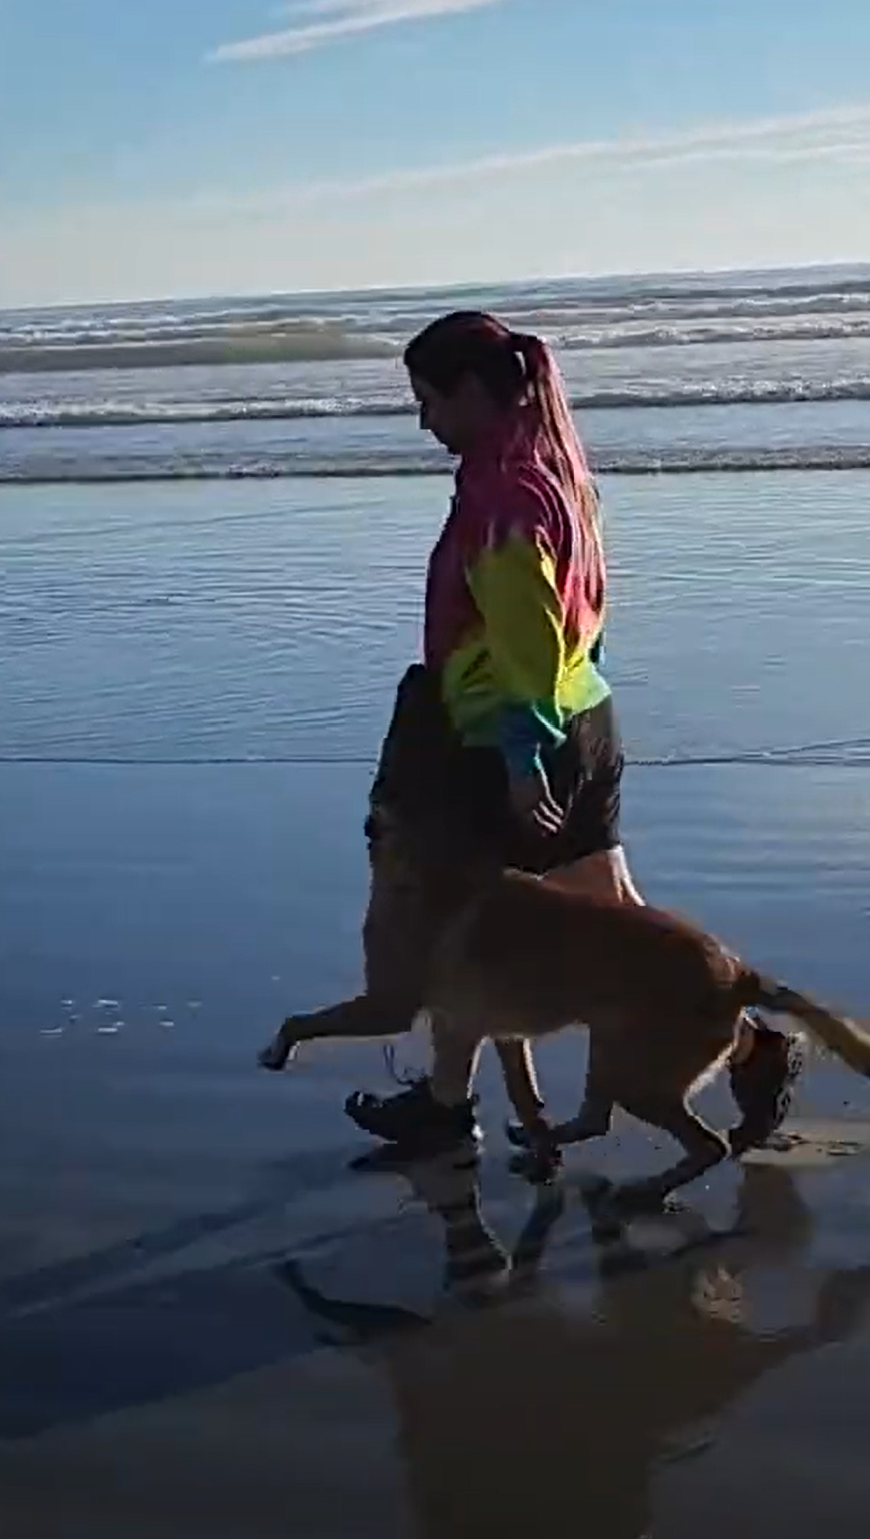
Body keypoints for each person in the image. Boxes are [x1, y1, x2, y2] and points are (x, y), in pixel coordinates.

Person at [260, 310, 798, 1157]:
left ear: (473, 390)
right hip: (588, 719)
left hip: (503, 729)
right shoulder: (558, 470)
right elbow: (578, 619)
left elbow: (525, 635)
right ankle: (752, 1042)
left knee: (448, 923)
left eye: (428, 399)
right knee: (613, 920)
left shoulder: (501, 493)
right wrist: (561, 729)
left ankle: (446, 1106)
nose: (423, 421)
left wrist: (521, 755)